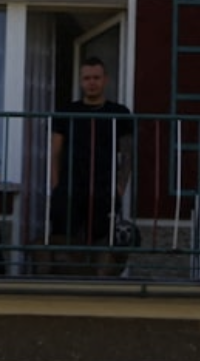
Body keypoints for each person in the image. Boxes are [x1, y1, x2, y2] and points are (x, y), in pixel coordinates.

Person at [45, 55, 135, 276]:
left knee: (103, 236)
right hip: (70, 184)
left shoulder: (119, 113)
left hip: (105, 185)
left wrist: (121, 186)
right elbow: (55, 151)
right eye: (87, 78)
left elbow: (128, 153)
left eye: (96, 77)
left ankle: (100, 281)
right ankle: (68, 278)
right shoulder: (66, 112)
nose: (91, 82)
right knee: (65, 234)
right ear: (81, 81)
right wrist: (56, 185)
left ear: (105, 80)